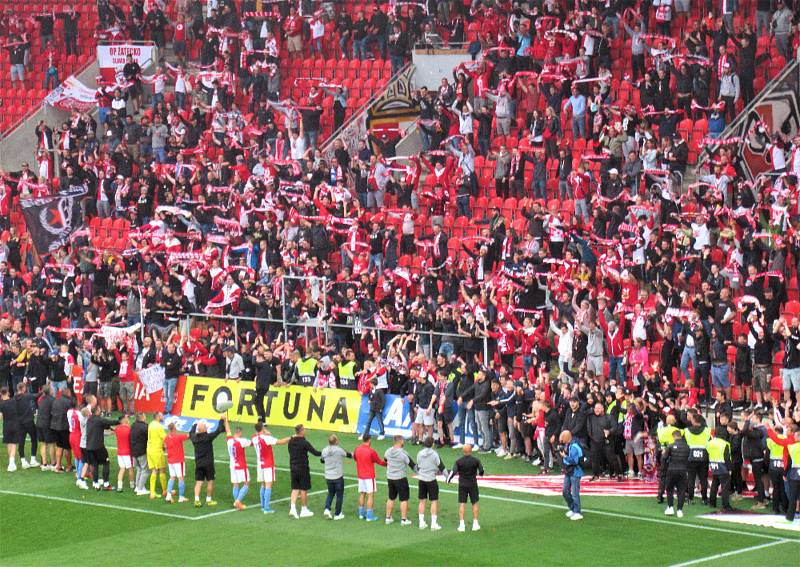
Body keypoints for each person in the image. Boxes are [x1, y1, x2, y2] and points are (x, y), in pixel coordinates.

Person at [252, 421, 290, 514]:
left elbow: (257, 433)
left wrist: (264, 432)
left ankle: (262, 505)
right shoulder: (267, 438)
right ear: (263, 429)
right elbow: (281, 442)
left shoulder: (254, 438)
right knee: (268, 486)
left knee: (263, 485)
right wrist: (292, 437)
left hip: (260, 464)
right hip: (268, 464)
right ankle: (266, 508)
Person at [189, 416, 226, 507]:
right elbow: (218, 430)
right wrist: (221, 420)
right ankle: (208, 500)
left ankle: (197, 500)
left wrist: (194, 425)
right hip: (208, 463)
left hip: (199, 463)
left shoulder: (194, 438)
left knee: (198, 482)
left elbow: (191, 433)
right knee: (210, 481)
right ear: (205, 430)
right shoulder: (208, 437)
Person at [287, 424, 322, 518]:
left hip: (293, 467)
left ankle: (293, 508)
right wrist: (326, 453)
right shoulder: (304, 442)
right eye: (304, 429)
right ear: (301, 431)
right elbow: (315, 453)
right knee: (303, 489)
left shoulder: (291, 441)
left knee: (295, 489)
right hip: (303, 468)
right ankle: (304, 509)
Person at [447, 444, 484, 531]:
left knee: (462, 503)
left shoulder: (459, 461)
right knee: (474, 503)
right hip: (472, 484)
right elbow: (481, 471)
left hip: (462, 485)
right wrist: (481, 474)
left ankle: (462, 525)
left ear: (463, 451)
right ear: (470, 450)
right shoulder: (476, 460)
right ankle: (475, 524)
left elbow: (453, 472)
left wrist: (448, 480)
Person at [84, 406, 119, 490]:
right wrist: (120, 421)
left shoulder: (89, 419)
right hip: (98, 447)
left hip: (89, 447)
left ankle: (95, 484)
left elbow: (104, 425)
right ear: (97, 411)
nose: (101, 411)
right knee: (106, 463)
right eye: (99, 410)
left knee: (95, 465)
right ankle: (106, 484)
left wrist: (110, 428)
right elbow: (109, 422)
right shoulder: (99, 419)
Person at [353, 433, 387, 521]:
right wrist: (388, 464)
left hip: (360, 475)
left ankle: (361, 513)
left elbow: (355, 458)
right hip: (369, 476)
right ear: (369, 440)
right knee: (370, 495)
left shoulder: (357, 449)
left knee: (362, 493)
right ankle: (369, 515)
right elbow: (380, 462)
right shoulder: (371, 451)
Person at [384, 435, 416, 525]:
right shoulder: (404, 453)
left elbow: (385, 460)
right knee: (404, 499)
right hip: (400, 478)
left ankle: (388, 517)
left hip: (390, 478)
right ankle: (404, 520)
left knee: (391, 498)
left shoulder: (387, 451)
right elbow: (413, 466)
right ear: (400, 441)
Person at [416, 436, 446, 530]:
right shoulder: (434, 454)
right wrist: (448, 477)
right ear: (432, 444)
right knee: (434, 501)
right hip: (431, 480)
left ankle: (421, 522)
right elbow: (441, 467)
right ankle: (433, 524)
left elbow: (418, 465)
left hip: (422, 479)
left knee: (422, 501)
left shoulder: (420, 453)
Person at [321, 434, 352, 520]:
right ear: (336, 441)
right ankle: (337, 514)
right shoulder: (339, 450)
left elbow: (322, 460)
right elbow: (349, 455)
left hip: (328, 476)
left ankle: (327, 509)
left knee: (330, 493)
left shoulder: (324, 450)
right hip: (338, 477)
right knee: (339, 495)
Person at [224, 418, 252, 510]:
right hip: (241, 465)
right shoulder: (242, 441)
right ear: (239, 433)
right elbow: (252, 443)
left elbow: (227, 430)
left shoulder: (229, 440)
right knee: (247, 483)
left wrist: (225, 420)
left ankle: (236, 503)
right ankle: (238, 501)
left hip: (232, 465)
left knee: (235, 484)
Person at [661, 429, 689, 517]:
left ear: (674, 436)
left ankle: (670, 507)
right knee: (681, 490)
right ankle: (680, 510)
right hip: (683, 470)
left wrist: (663, 470)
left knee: (669, 489)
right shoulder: (687, 446)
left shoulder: (670, 446)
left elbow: (664, 458)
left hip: (671, 470)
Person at [560, 430, 584, 521]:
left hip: (575, 472)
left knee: (574, 493)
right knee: (565, 491)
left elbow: (575, 461)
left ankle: (577, 511)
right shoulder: (568, 445)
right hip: (568, 471)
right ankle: (572, 508)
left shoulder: (574, 446)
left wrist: (565, 457)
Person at [707, 430, 733, 512]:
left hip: (714, 465)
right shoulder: (725, 444)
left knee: (714, 484)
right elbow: (727, 458)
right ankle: (725, 505)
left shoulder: (709, 443)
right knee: (725, 487)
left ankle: (712, 502)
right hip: (723, 467)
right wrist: (730, 469)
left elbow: (707, 453)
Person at [13, 382, 38, 469]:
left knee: (21, 442)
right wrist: (43, 391)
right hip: (29, 422)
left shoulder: (14, 398)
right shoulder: (26, 396)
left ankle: (23, 461)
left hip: (19, 423)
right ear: (23, 389)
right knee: (34, 439)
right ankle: (33, 459)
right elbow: (36, 396)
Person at [164, 422, 190, 503]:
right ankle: (181, 497)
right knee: (181, 478)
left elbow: (164, 446)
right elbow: (189, 436)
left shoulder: (166, 437)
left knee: (172, 477)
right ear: (174, 428)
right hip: (178, 460)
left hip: (170, 460)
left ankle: (168, 495)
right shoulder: (178, 436)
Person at [146, 412, 168, 499]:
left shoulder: (151, 424)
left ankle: (152, 492)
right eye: (162, 415)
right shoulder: (159, 427)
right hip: (157, 451)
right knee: (162, 470)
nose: (163, 416)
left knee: (154, 471)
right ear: (158, 417)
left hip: (150, 450)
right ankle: (165, 491)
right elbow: (165, 438)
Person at [35, 384, 55, 470]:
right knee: (51, 444)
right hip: (47, 424)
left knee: (43, 443)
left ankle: (44, 463)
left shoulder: (40, 399)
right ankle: (53, 464)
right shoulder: (52, 400)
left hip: (39, 423)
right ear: (50, 391)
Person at [130, 412, 150, 496]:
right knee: (145, 470)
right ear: (142, 417)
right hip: (141, 451)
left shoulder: (133, 425)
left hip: (134, 451)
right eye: (144, 416)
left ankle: (137, 487)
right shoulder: (145, 427)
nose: (145, 417)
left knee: (139, 469)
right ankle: (140, 489)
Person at [0, 387, 20, 471]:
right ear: (8, 392)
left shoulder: (1, 404)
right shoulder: (13, 401)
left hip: (6, 425)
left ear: (1, 394)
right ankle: (12, 463)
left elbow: (0, 417)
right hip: (15, 424)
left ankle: (11, 463)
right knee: (14, 443)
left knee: (9, 443)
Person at [113, 414, 134, 492]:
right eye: (126, 418)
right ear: (123, 420)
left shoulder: (117, 428)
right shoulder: (129, 428)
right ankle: (132, 485)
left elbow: (112, 431)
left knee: (122, 469)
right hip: (127, 452)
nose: (127, 419)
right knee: (130, 468)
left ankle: (119, 486)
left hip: (120, 452)